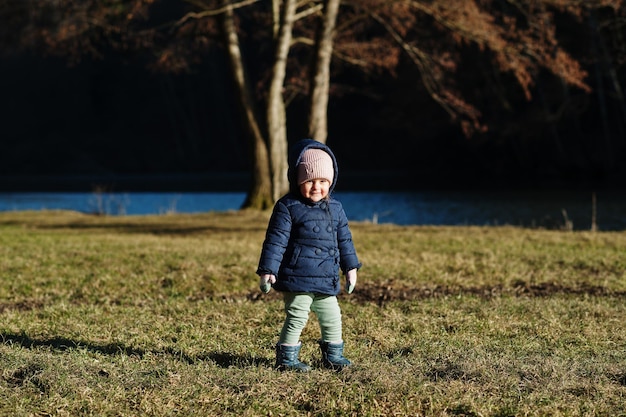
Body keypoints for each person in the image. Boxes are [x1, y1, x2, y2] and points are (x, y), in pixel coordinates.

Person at [256, 138, 362, 372]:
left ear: (331, 181)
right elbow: (276, 240)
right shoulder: (287, 206)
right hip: (297, 277)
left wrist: (350, 268)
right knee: (297, 317)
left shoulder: (336, 208)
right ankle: (286, 359)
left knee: (333, 317)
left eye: (323, 181)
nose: (316, 187)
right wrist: (267, 270)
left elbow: (344, 240)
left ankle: (333, 356)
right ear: (297, 179)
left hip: (326, 277)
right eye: (309, 180)